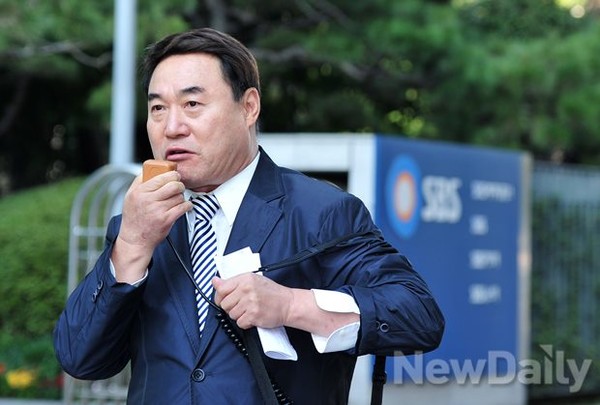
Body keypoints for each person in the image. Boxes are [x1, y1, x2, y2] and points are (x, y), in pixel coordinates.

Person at [53, 27, 444, 404]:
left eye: (192, 105)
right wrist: (132, 245)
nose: (172, 127)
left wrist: (291, 306)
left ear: (249, 107)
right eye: (158, 108)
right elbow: (80, 359)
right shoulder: (141, 224)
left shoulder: (321, 212)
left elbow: (419, 315)